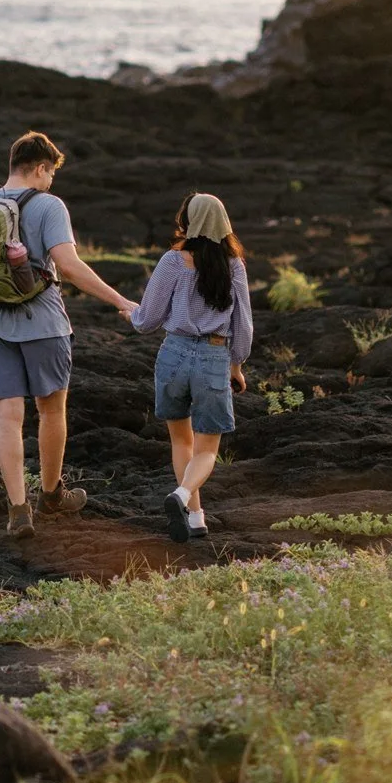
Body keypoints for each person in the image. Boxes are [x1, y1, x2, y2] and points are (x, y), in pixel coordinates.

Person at [0, 130, 138, 538]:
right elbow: (69, 267)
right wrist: (120, 300)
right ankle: (52, 495)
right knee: (52, 410)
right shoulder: (49, 206)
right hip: (44, 325)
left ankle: (18, 511)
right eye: (51, 173)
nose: (52, 181)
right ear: (40, 168)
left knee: (7, 419)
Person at [131, 192, 252, 542]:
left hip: (173, 353)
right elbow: (243, 325)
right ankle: (184, 497)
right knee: (208, 449)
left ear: (188, 221)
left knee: (180, 441)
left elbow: (147, 319)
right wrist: (237, 365)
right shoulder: (234, 265)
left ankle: (196, 517)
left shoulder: (172, 260)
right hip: (214, 356)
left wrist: (131, 315)